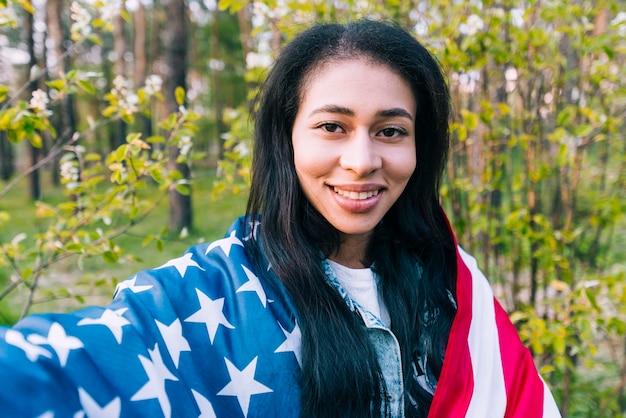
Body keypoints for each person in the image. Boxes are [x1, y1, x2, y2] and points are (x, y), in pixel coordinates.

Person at [0, 20, 560, 418]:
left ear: (421, 148)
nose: (362, 161)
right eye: (332, 127)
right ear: (285, 138)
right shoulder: (205, 296)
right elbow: (63, 367)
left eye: (391, 131)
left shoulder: (457, 289)